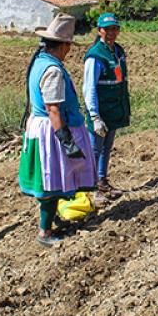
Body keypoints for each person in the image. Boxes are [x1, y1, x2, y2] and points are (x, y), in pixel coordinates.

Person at [19, 14, 97, 247]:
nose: (69, 51)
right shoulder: (52, 70)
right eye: (68, 46)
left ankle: (53, 219)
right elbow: (53, 109)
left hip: (41, 127)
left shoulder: (39, 61)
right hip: (50, 131)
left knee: (53, 178)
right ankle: (45, 232)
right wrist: (66, 140)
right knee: (50, 182)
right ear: (63, 45)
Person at [83, 12, 131, 204]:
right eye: (107, 29)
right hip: (101, 111)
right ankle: (92, 188)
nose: (111, 32)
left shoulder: (117, 51)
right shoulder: (95, 56)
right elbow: (89, 88)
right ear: (99, 31)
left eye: (114, 29)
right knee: (95, 150)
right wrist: (94, 116)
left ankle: (102, 181)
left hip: (113, 110)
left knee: (107, 147)